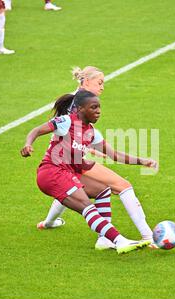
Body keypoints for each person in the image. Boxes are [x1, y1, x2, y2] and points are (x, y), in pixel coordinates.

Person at [37, 66, 159, 250]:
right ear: (86, 82)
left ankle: (49, 222)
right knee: (122, 185)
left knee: (70, 187)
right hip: (72, 159)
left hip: (69, 158)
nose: (102, 87)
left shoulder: (78, 101)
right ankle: (147, 236)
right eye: (99, 83)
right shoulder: (76, 104)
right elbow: (68, 134)